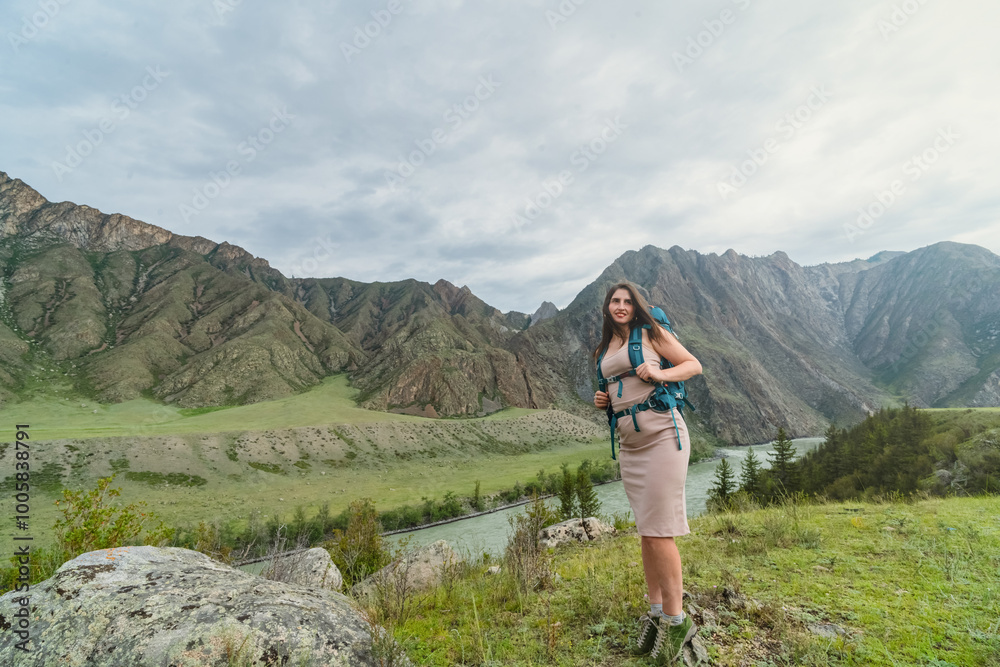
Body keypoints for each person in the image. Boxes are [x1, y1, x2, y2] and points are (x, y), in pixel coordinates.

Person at [592, 282, 702, 663]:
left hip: (663, 436)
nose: (620, 306)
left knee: (659, 532)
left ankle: (676, 621)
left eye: (627, 301)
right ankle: (656, 615)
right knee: (647, 531)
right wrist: (604, 400)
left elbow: (692, 365)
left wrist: (659, 374)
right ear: (607, 307)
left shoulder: (650, 332)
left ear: (635, 305)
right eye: (614, 301)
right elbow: (617, 389)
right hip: (631, 447)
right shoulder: (604, 348)